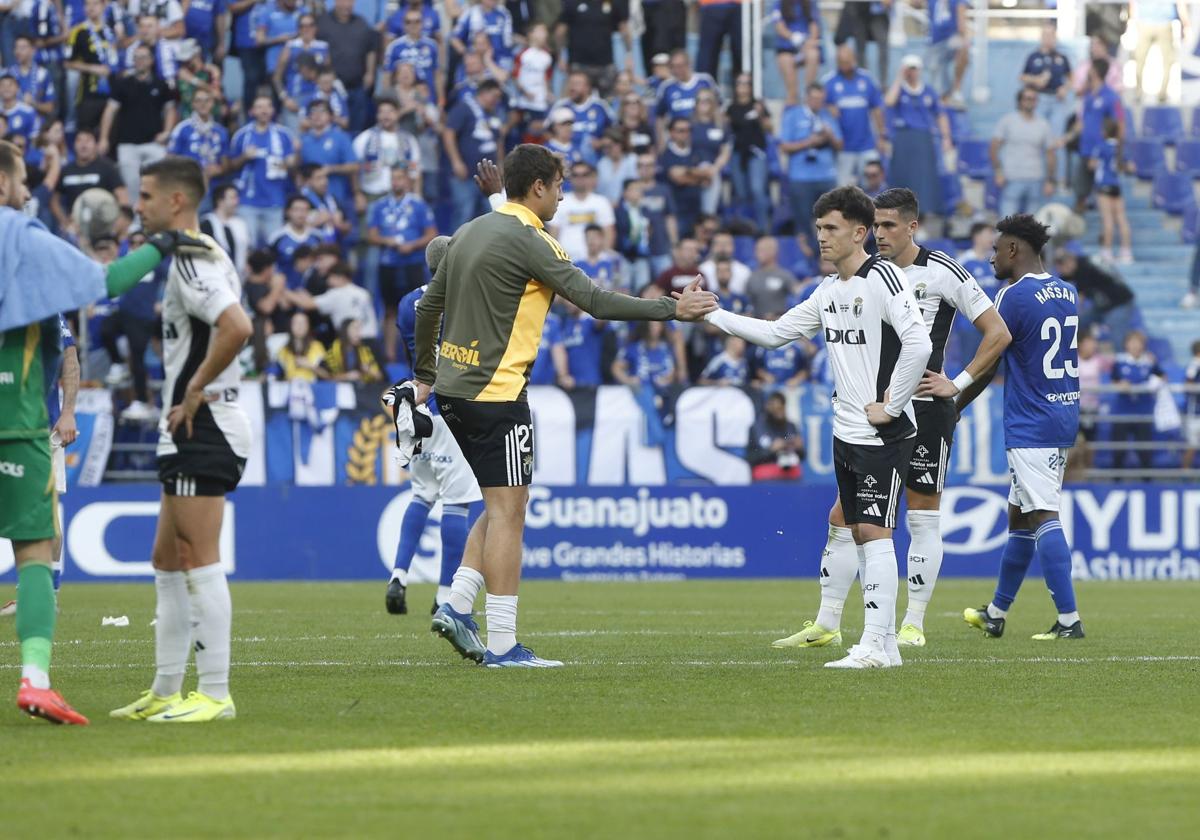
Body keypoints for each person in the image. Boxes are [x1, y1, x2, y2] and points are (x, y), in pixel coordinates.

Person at [412, 143, 718, 667]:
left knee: (498, 501)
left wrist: (424, 375)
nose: (561, 194)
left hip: (454, 391)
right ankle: (504, 643)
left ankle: (458, 602)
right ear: (538, 188)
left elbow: (428, 307)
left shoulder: (467, 232)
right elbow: (596, 301)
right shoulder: (533, 240)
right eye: (559, 185)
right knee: (510, 513)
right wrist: (674, 309)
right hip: (498, 394)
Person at [703, 185, 933, 668]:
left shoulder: (884, 279)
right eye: (819, 230)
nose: (822, 238)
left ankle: (873, 644)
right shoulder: (829, 291)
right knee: (856, 529)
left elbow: (918, 345)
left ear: (859, 232)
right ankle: (884, 645)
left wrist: (891, 405)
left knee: (874, 532)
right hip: (846, 431)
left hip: (882, 432)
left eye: (831, 229)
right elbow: (774, 335)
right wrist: (714, 314)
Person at [101, 158, 250, 724]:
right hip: (188, 423)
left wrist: (193, 388)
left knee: (198, 560)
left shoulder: (193, 260)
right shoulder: (188, 256)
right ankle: (166, 689)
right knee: (166, 558)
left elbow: (238, 326)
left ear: (175, 202)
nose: (136, 206)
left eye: (143, 197)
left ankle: (215, 694)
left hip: (204, 423)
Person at [862, 188, 1010, 647]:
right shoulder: (864, 272)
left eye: (888, 225)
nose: (879, 234)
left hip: (926, 409)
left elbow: (997, 332)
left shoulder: (943, 270)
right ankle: (835, 621)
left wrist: (957, 384)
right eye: (875, 225)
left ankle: (914, 624)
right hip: (872, 408)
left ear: (911, 226)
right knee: (854, 514)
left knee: (921, 515)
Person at [952, 214, 1085, 641]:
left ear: (1014, 250)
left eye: (995, 249)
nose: (990, 258)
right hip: (1062, 412)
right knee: (1020, 516)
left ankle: (1069, 621)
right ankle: (996, 612)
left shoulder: (1011, 297)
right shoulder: (1067, 290)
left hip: (1032, 420)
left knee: (1043, 513)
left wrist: (954, 403)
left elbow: (990, 361)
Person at [387, 236, 484, 615]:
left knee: (422, 494)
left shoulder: (407, 302)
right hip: (454, 407)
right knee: (457, 503)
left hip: (417, 406)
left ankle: (398, 575)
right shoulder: (467, 297)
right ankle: (445, 595)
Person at [367, 166, 436, 361]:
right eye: (393, 178)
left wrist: (412, 245)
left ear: (408, 181)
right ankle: (389, 355)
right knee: (389, 309)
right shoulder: (380, 205)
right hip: (388, 263)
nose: (396, 182)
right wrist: (387, 241)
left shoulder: (419, 205)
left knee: (417, 308)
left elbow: (432, 233)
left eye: (400, 178)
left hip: (412, 262)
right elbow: (371, 235)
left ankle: (417, 355)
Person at [99, 42, 176, 198]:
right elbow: (110, 111)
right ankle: (135, 221)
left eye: (143, 57)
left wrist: (167, 132)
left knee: (158, 187)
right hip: (127, 145)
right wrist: (103, 138)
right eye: (136, 58)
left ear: (151, 60)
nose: (140, 61)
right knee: (132, 190)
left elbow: (170, 110)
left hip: (154, 143)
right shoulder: (122, 84)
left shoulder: (161, 85)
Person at [884, 55, 952, 219]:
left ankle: (923, 213)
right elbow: (889, 101)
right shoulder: (900, 90)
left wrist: (946, 137)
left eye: (914, 69)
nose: (911, 72)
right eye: (908, 69)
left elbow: (940, 114)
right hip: (903, 137)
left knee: (924, 177)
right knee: (903, 175)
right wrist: (899, 78)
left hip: (923, 138)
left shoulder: (928, 91)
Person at [779, 83, 841, 257]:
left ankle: (828, 258)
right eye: (814, 98)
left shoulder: (828, 116)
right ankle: (806, 259)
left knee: (830, 220)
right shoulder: (792, 115)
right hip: (800, 177)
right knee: (803, 223)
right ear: (806, 97)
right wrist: (809, 142)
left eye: (820, 99)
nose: (817, 102)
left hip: (826, 176)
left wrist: (829, 136)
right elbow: (784, 146)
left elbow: (839, 144)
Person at [229, 94, 299, 247]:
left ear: (273, 110)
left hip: (275, 200)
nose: (264, 110)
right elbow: (230, 166)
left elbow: (293, 164)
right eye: (259, 107)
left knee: (274, 246)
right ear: (252, 111)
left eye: (267, 106)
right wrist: (244, 157)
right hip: (247, 200)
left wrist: (291, 162)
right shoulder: (241, 135)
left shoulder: (284, 135)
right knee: (248, 245)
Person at [1064, 57, 1123, 214]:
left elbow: (1119, 124)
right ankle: (1077, 232)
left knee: (1104, 199)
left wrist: (1117, 152)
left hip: (1101, 154)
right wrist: (1068, 137)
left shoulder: (1112, 97)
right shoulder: (1089, 96)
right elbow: (1082, 122)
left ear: (1095, 71)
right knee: (1080, 193)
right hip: (1085, 150)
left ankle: (1107, 232)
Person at [443, 79, 502, 231]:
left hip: (488, 178)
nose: (496, 100)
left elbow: (498, 140)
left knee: (493, 217)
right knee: (463, 215)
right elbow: (448, 133)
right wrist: (456, 162)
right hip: (466, 175)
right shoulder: (464, 108)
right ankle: (453, 252)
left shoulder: (493, 114)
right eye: (494, 96)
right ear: (483, 93)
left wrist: (500, 165)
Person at [824, 45, 887, 188]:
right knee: (843, 189)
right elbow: (816, 107)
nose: (845, 65)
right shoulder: (829, 82)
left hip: (867, 145)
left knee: (873, 185)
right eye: (842, 62)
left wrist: (882, 136)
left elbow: (877, 109)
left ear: (854, 60)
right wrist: (828, 108)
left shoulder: (867, 79)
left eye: (848, 61)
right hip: (843, 147)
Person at [990, 87, 1056, 218]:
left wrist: (1050, 180)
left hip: (1035, 179)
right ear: (1020, 101)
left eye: (1034, 98)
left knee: (1032, 227)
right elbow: (993, 147)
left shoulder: (1043, 125)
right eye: (1027, 98)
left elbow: (1050, 154)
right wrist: (998, 171)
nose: (1030, 101)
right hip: (1012, 179)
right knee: (1008, 224)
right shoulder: (1008, 121)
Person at [316, 0, 379, 133]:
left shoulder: (361, 22)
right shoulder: (323, 23)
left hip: (357, 86)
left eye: (350, 2)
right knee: (334, 127)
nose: (347, 6)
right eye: (344, 2)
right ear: (336, 3)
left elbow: (371, 49)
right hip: (333, 88)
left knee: (358, 126)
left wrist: (370, 72)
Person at [1055, 241, 1136, 345]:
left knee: (1116, 329)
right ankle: (1080, 350)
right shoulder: (1076, 267)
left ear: (1070, 262)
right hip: (1102, 305)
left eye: (1061, 267)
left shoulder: (1085, 267)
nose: (1060, 271)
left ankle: (1120, 357)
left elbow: (1080, 298)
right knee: (1079, 322)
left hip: (1119, 302)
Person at [1110, 330, 1164, 472]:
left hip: (1143, 412)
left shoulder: (1149, 362)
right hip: (1122, 412)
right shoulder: (1120, 362)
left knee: (1144, 451)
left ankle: (1147, 483)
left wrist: (1154, 384)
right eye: (1132, 342)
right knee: (1119, 450)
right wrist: (1121, 385)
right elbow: (1113, 381)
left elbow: (1162, 377)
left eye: (1138, 343)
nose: (1135, 346)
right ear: (1126, 345)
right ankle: (1116, 481)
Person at [726, 72, 772, 234]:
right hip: (738, 153)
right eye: (740, 84)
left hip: (756, 152)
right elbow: (726, 131)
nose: (743, 88)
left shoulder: (758, 105)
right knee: (740, 192)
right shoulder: (731, 108)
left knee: (757, 189)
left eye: (746, 84)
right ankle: (745, 227)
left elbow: (769, 129)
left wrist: (760, 114)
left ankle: (763, 228)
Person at [65, 0, 120, 132]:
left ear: (103, 6)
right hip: (88, 92)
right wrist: (92, 68)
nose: (91, 8)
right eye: (87, 4)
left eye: (95, 4)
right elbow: (67, 63)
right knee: (86, 133)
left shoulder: (111, 31)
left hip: (112, 92)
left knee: (111, 136)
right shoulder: (78, 31)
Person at [554, 0, 629, 96]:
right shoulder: (572, 3)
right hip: (579, 64)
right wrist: (560, 56)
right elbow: (560, 32)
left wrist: (629, 54)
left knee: (609, 103)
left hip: (605, 64)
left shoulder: (611, 3)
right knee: (572, 101)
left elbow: (624, 29)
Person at [551, 161, 615, 260]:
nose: (580, 178)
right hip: (567, 261)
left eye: (584, 175)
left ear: (590, 177)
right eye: (576, 175)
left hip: (595, 261)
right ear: (570, 178)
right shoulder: (560, 202)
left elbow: (609, 233)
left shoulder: (602, 202)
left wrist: (603, 258)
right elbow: (553, 234)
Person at [1020, 22, 1073, 138]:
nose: (1048, 38)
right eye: (1046, 35)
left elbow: (1071, 78)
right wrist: (1036, 80)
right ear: (1041, 37)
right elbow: (1022, 77)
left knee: (1056, 135)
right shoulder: (1033, 57)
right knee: (1037, 134)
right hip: (1039, 99)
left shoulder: (1062, 58)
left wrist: (1065, 88)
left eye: (1051, 35)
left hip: (1057, 100)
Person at [1091, 118, 1132, 264]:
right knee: (1121, 219)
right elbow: (1130, 167)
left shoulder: (1101, 146)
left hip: (1104, 186)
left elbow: (1092, 165)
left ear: (1104, 132)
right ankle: (1126, 252)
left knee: (1107, 220)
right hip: (1116, 185)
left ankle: (1106, 253)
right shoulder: (1120, 147)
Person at [1133, 0, 1188, 104]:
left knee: (1167, 61)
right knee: (1140, 59)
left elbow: (1180, 4)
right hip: (1146, 22)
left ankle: (1161, 93)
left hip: (1163, 23)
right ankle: (1139, 92)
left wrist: (1185, 24)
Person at [689, 88, 730, 216]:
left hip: (713, 170)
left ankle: (708, 216)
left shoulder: (721, 125)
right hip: (691, 169)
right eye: (699, 100)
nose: (703, 103)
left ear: (713, 103)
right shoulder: (689, 125)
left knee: (710, 174)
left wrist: (714, 169)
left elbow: (725, 152)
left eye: (707, 100)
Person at [747, 391, 805, 480]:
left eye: (781, 408)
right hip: (766, 471)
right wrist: (771, 450)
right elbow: (750, 457)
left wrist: (799, 448)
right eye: (775, 408)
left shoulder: (790, 426)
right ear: (767, 406)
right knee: (762, 472)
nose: (779, 411)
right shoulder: (757, 428)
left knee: (797, 471)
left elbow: (802, 456)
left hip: (789, 470)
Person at [772, 0, 821, 105]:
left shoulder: (810, 2)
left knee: (813, 55)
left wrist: (808, 42)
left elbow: (814, 25)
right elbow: (779, 26)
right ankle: (792, 99)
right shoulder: (779, 2)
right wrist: (792, 37)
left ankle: (809, 93)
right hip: (786, 47)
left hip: (805, 45)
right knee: (786, 62)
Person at [924, 0, 969, 108]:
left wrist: (965, 38)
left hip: (952, 38)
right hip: (935, 42)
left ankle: (956, 91)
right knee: (938, 85)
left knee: (962, 48)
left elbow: (961, 20)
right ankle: (945, 96)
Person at [832, 0, 890, 82]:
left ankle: (883, 83)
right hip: (859, 12)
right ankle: (863, 79)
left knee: (883, 47)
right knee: (860, 49)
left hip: (877, 14)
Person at [200, 183, 250, 276]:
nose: (237, 201)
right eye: (232, 198)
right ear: (220, 201)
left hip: (239, 277)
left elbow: (246, 249)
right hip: (215, 275)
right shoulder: (207, 223)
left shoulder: (240, 223)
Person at [744, 236, 799, 316]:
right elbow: (747, 303)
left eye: (761, 250)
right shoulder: (752, 277)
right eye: (756, 250)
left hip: (779, 322)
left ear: (773, 251)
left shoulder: (784, 275)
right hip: (757, 322)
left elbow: (797, 294)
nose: (756, 253)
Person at [1184, 339, 1200, 468]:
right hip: (1196, 413)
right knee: (1192, 444)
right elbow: (1188, 384)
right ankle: (1184, 474)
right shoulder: (1194, 365)